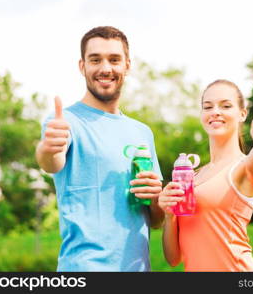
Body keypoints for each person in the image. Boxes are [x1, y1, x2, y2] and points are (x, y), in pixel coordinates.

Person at [35, 26, 164, 271]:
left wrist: (157, 199)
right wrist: (47, 148)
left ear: (127, 65)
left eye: (114, 59)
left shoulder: (142, 132)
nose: (106, 68)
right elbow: (51, 161)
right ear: (82, 66)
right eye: (95, 60)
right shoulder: (65, 122)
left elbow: (157, 221)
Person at [158, 79, 253, 271]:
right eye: (208, 106)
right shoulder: (192, 177)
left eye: (226, 106)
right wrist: (169, 215)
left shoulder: (243, 168)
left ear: (242, 114)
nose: (215, 112)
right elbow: (173, 259)